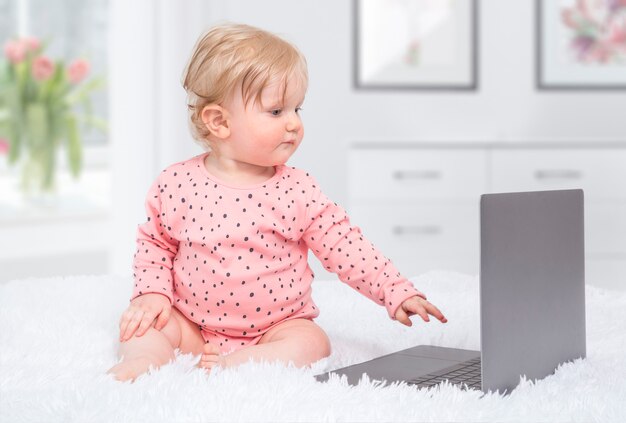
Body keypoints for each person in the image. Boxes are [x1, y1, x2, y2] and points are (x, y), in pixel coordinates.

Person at [107, 23, 447, 382]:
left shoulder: (297, 189)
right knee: (142, 325)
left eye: (297, 109)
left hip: (276, 327)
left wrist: (393, 289)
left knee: (312, 342)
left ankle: (238, 365)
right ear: (219, 121)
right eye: (276, 111)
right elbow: (155, 245)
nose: (293, 124)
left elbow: (346, 245)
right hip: (192, 322)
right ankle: (142, 363)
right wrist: (153, 294)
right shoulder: (177, 183)